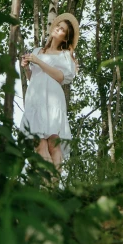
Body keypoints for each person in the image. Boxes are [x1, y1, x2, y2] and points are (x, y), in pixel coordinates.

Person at [19, 13, 79, 173]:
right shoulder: (38, 50)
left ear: (65, 38)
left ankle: (55, 187)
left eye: (62, 30)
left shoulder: (65, 55)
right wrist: (26, 67)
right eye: (58, 27)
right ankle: (48, 184)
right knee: (39, 143)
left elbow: (60, 77)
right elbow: (34, 77)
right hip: (36, 97)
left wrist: (39, 61)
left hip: (52, 100)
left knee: (53, 142)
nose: (58, 29)